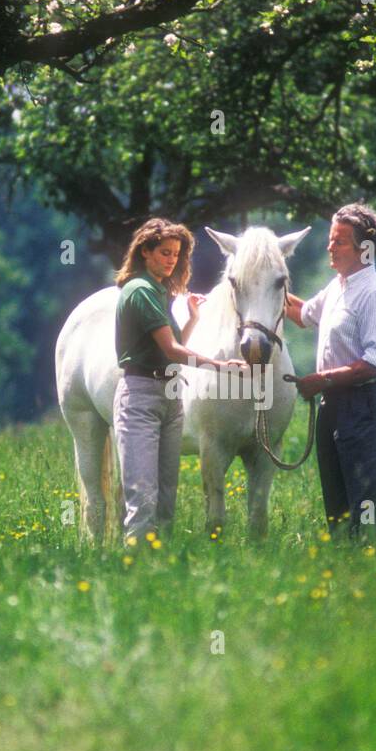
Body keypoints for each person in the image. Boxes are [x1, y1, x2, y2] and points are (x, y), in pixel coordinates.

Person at [112, 219, 246, 545]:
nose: (172, 260)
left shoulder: (159, 290)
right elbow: (172, 350)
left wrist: (193, 319)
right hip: (142, 395)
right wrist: (220, 365)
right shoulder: (141, 291)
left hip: (170, 395)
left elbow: (170, 347)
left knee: (166, 494)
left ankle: (161, 568)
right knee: (142, 493)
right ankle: (136, 564)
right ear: (145, 252)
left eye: (176, 254)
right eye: (164, 253)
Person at [284, 203, 376, 539]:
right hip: (333, 405)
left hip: (363, 404)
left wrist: (323, 379)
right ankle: (346, 566)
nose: (329, 247)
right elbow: (303, 313)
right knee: (336, 502)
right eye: (330, 240)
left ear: (365, 249)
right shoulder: (338, 286)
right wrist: (265, 281)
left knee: (364, 497)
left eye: (339, 242)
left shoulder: (374, 294)